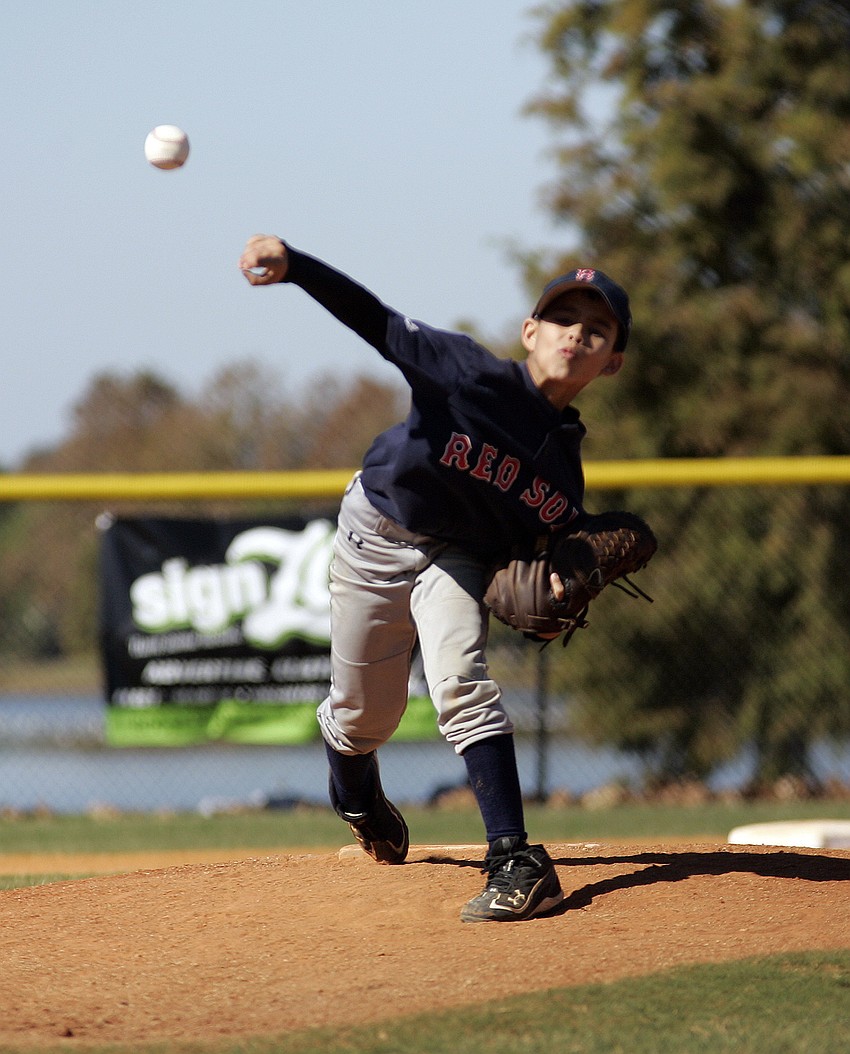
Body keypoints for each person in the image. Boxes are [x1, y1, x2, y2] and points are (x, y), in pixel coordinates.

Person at [239, 234, 631, 922]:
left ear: (613, 363)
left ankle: (514, 857)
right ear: (531, 331)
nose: (578, 335)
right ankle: (357, 793)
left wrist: (563, 580)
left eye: (597, 330)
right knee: (367, 715)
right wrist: (296, 264)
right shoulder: (466, 372)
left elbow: (550, 551)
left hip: (456, 557)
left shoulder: (563, 479)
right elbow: (376, 319)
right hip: (374, 534)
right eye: (564, 320)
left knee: (460, 681)